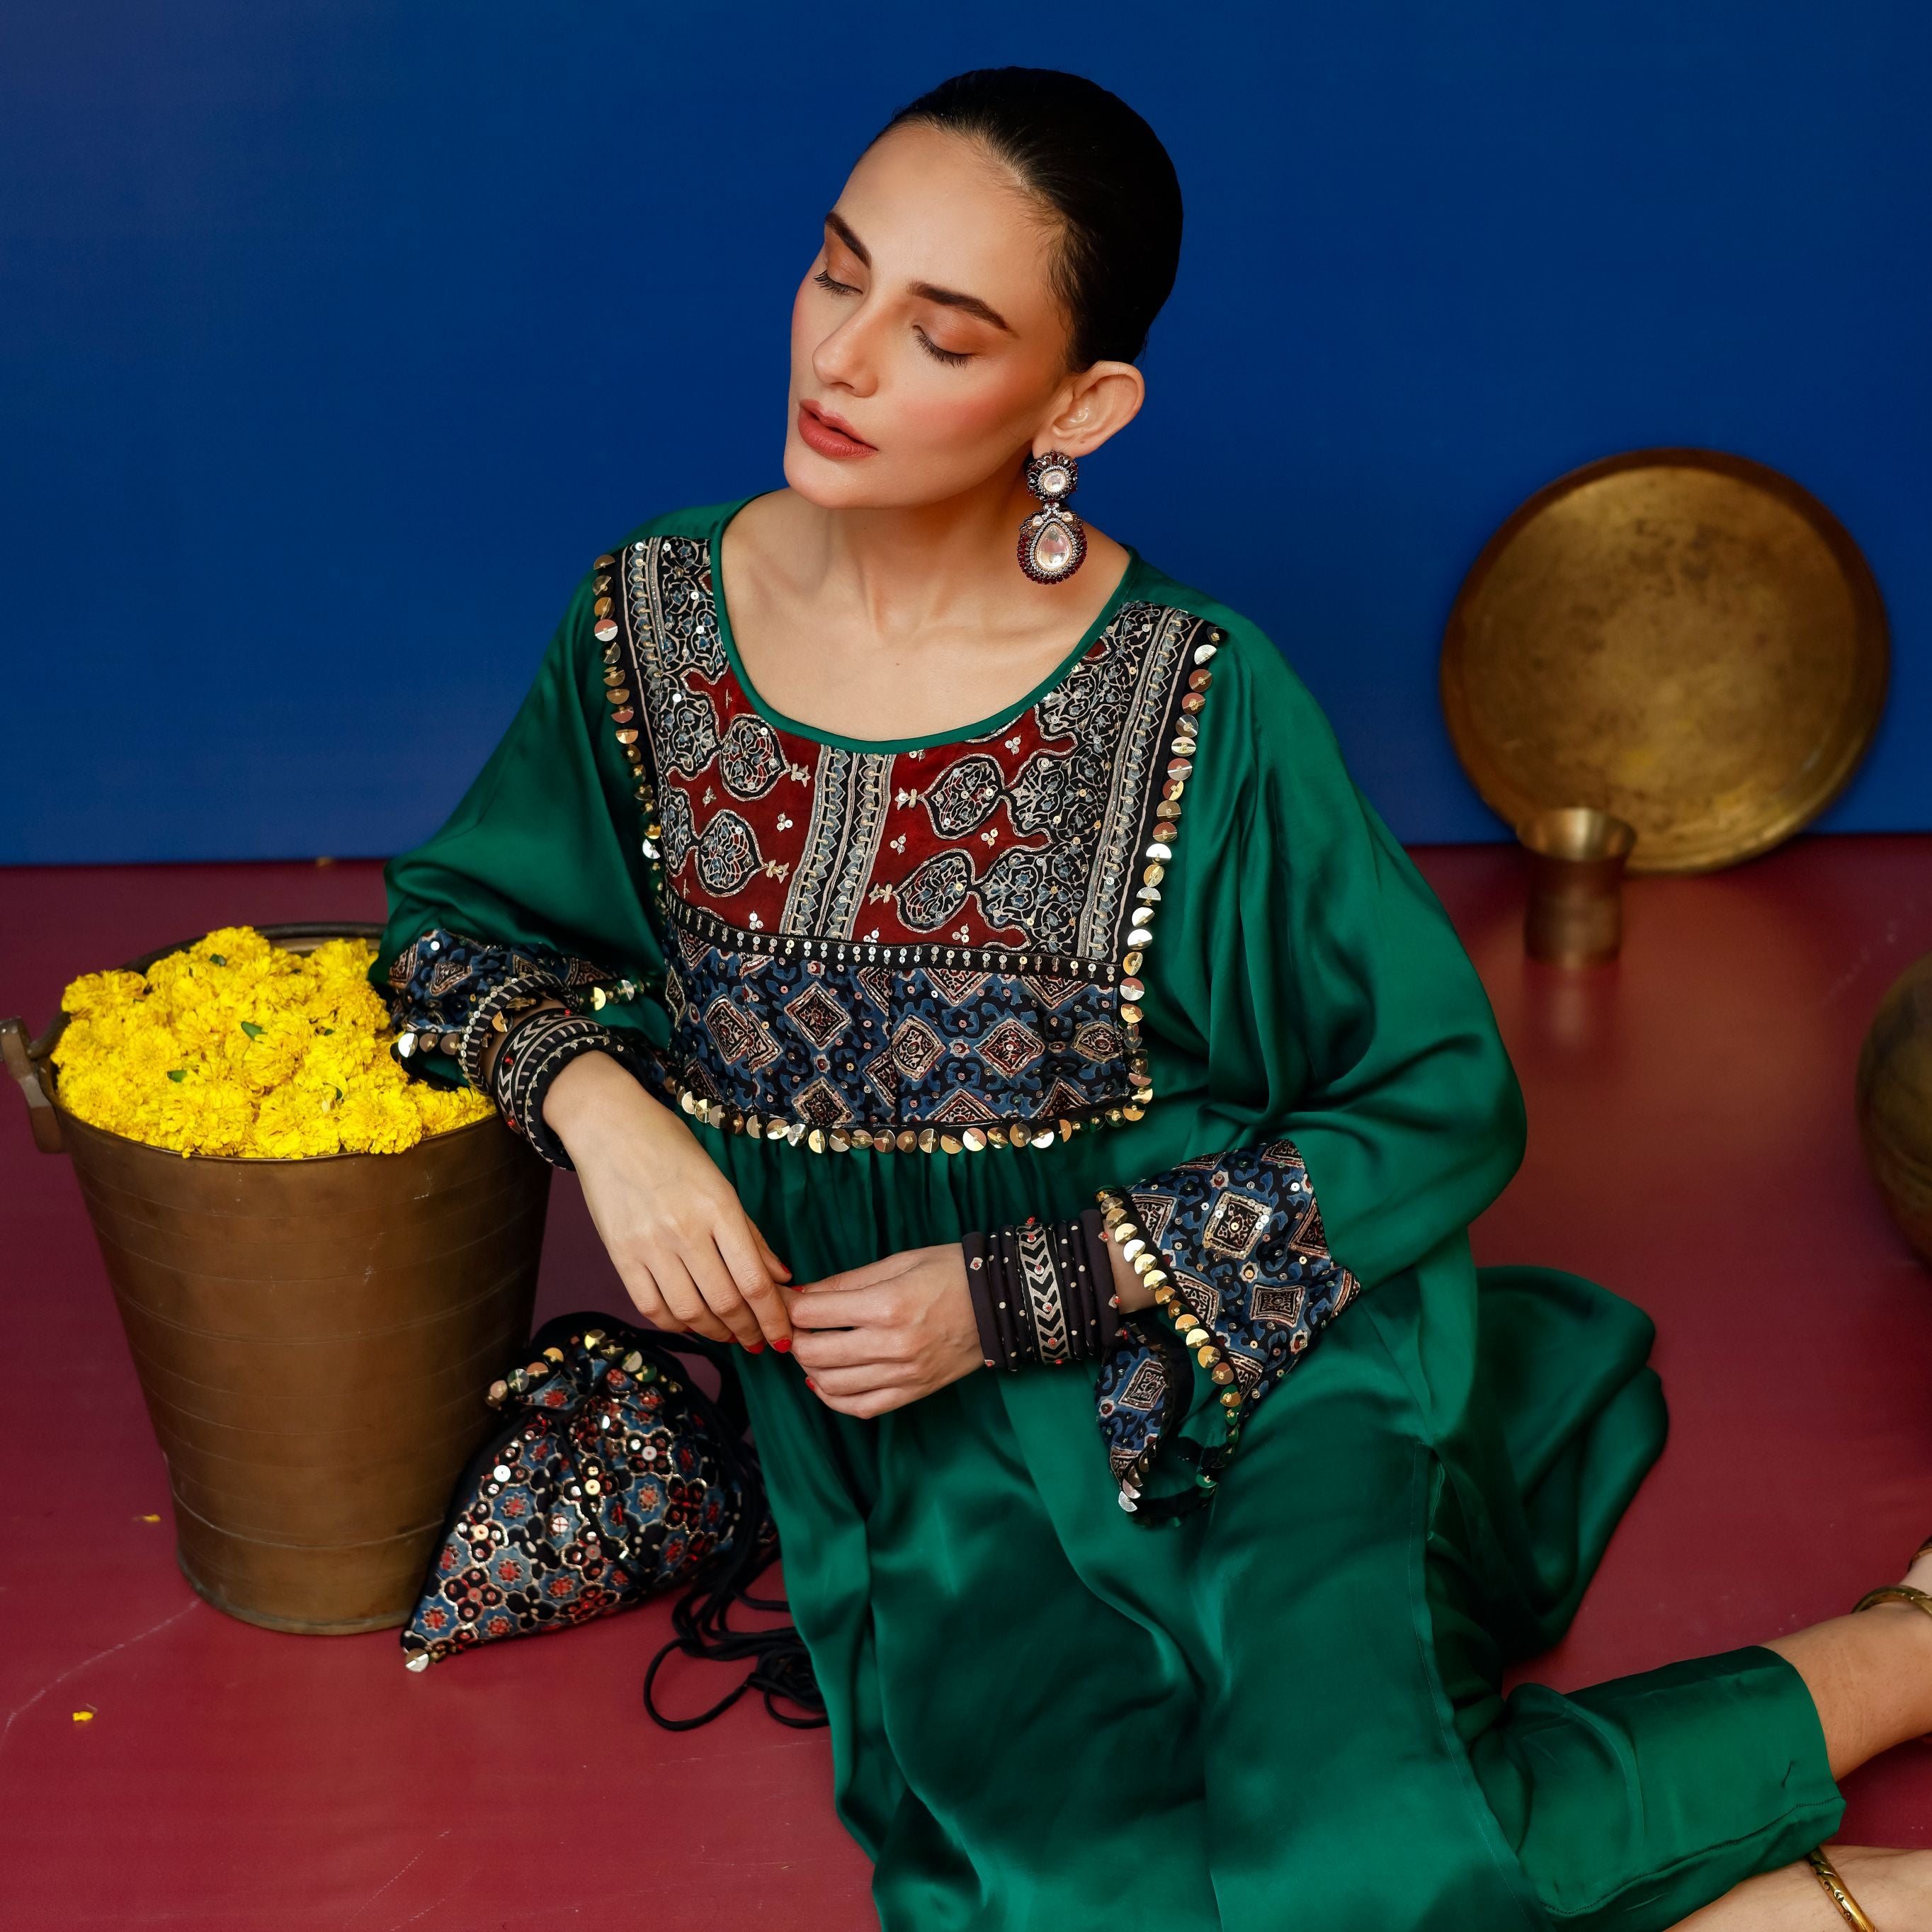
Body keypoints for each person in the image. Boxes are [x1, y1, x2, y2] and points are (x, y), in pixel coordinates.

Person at [375, 67, 1932, 1932]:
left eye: (943, 332)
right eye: (838, 272)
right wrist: (604, 1113)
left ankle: (1895, 1667)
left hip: (1224, 1360)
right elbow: (453, 926)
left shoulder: (1196, 693)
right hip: (905, 1443)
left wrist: (1010, 1291)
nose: (844, 357)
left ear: (1079, 407)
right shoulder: (650, 622)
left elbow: (1437, 1100)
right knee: (1080, 1895)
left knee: (1344, 1855)